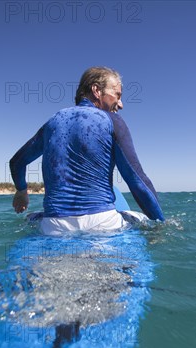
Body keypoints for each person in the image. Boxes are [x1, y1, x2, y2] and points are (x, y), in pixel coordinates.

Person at [9, 66, 164, 235]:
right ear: (96, 90)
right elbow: (137, 181)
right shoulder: (113, 121)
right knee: (141, 219)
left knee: (31, 217)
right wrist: (161, 225)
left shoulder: (53, 122)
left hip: (53, 226)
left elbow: (16, 163)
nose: (120, 104)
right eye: (117, 95)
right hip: (103, 224)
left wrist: (22, 191)